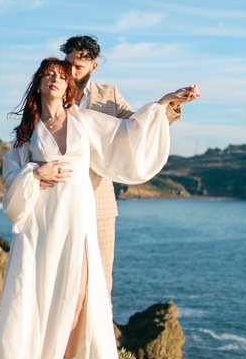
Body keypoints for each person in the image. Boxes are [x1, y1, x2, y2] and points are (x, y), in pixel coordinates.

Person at [0, 57, 199, 359]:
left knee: (80, 296)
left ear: (69, 87)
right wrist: (36, 173)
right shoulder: (27, 133)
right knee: (37, 291)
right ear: (38, 83)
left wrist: (164, 103)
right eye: (48, 75)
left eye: (60, 76)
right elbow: (10, 177)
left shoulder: (83, 120)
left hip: (77, 220)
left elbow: (127, 134)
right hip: (41, 224)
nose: (54, 79)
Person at [60, 36, 186, 296]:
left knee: (100, 280)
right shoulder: (54, 91)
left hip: (100, 204)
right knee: (63, 277)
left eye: (79, 67)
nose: (71, 72)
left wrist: (168, 105)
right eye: (68, 64)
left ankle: (97, 337)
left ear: (93, 67)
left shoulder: (110, 96)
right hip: (60, 200)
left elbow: (140, 127)